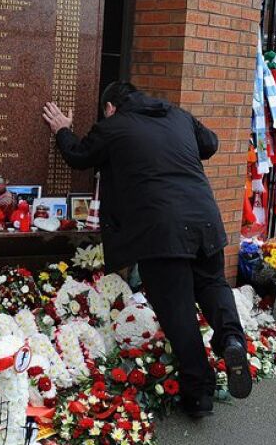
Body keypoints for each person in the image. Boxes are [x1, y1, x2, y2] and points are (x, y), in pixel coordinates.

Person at [42, 82, 252, 417]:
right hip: (205, 219)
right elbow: (210, 143)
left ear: (111, 107)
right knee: (213, 285)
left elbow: (79, 156)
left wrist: (63, 130)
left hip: (160, 230)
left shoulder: (113, 127)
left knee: (178, 309)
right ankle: (232, 341)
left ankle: (199, 394)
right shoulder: (178, 115)